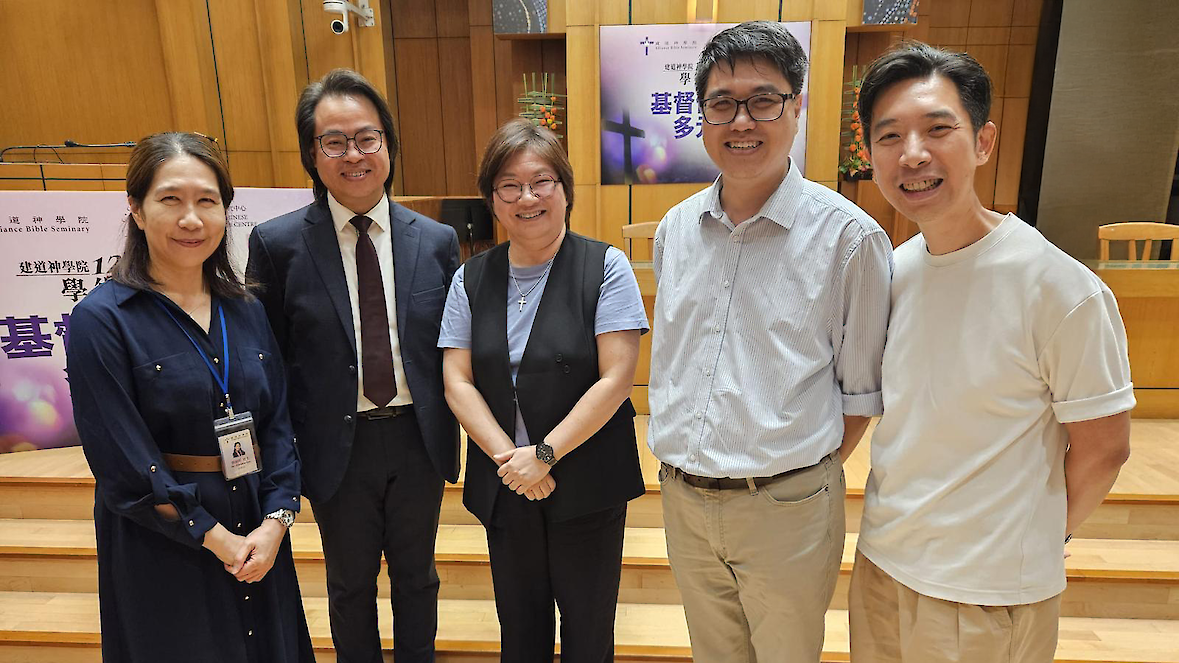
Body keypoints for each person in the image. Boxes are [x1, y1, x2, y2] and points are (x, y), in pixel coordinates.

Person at [850, 42, 1135, 662]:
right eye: (890, 136)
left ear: (983, 141)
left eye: (938, 129)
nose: (913, 154)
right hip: (881, 566)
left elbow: (1105, 448)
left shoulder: (1059, 287)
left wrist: (1030, 541)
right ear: (871, 155)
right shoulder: (896, 271)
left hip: (985, 592)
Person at [646, 21, 893, 662]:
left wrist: (791, 478)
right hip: (683, 498)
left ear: (797, 106)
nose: (741, 122)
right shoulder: (676, 229)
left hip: (787, 506)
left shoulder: (850, 239)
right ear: (701, 113)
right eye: (722, 103)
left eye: (763, 101)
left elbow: (860, 393)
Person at [66, 132, 314, 663]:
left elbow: (277, 424)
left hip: (255, 523)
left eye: (207, 201)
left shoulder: (246, 308)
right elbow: (123, 461)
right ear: (136, 210)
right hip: (163, 535)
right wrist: (216, 537)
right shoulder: (101, 320)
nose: (191, 219)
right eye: (170, 200)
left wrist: (276, 521)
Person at [246, 69, 461, 663]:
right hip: (334, 445)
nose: (354, 155)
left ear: (388, 144)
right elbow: (269, 361)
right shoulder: (277, 244)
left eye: (367, 138)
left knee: (418, 578)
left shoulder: (436, 240)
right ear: (311, 155)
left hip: (418, 438)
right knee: (349, 585)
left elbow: (452, 348)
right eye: (335, 142)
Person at [438, 118, 648, 662]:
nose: (526, 198)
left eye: (541, 182)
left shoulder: (605, 267)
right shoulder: (470, 278)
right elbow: (457, 379)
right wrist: (512, 461)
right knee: (520, 629)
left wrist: (545, 454)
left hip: (588, 480)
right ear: (492, 199)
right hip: (507, 482)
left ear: (565, 190)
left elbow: (616, 378)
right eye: (509, 186)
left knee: (588, 630)